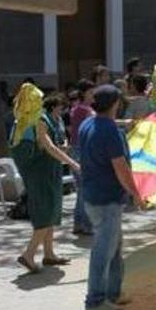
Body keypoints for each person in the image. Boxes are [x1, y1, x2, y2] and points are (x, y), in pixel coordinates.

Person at [80, 85, 145, 310]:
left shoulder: (88, 124)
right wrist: (137, 194)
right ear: (115, 104)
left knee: (114, 246)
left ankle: (113, 292)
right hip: (106, 199)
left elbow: (105, 128)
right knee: (104, 250)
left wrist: (125, 126)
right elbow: (121, 168)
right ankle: (95, 300)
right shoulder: (109, 131)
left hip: (93, 195)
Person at [11, 86, 80, 273]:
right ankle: (28, 255)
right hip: (40, 174)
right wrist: (73, 163)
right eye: (37, 100)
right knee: (45, 214)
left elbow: (50, 145)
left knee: (50, 213)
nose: (40, 103)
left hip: (48, 172)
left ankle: (49, 254)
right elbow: (48, 146)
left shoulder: (28, 121)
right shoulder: (37, 121)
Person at [70, 80, 96, 236]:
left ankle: (79, 224)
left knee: (82, 190)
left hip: (78, 150)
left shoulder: (78, 109)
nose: (94, 95)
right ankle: (85, 224)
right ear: (84, 93)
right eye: (91, 92)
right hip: (81, 151)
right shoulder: (82, 109)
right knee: (85, 189)